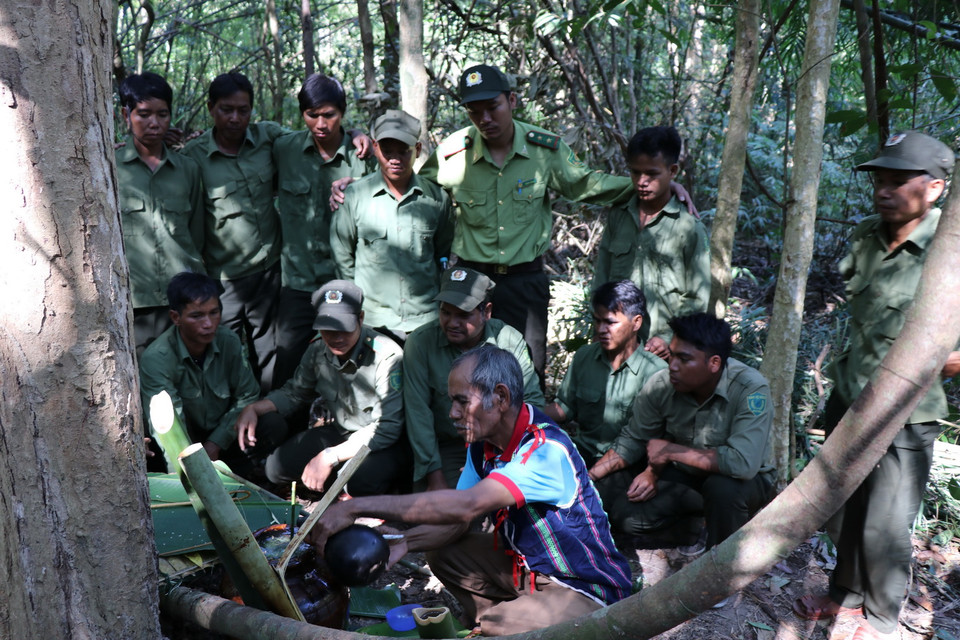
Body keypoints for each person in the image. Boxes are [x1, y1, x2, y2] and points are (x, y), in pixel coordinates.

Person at [310, 345, 632, 636]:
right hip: (527, 569)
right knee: (443, 552)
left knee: (498, 626)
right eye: (452, 401)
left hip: (583, 587)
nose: (452, 412)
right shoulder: (483, 446)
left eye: (462, 401)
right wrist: (406, 542)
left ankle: (500, 624)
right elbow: (458, 522)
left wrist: (354, 506)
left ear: (501, 397)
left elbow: (466, 505)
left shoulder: (544, 450)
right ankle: (500, 620)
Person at [794, 132, 959, 640]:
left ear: (935, 188)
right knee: (844, 505)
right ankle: (844, 593)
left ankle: (883, 620)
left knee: (886, 522)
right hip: (852, 396)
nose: (883, 191)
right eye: (880, 181)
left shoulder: (949, 250)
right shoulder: (867, 235)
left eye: (898, 181)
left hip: (908, 410)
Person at [416, 64, 638, 380]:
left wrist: (647, 186)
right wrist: (358, 184)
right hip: (470, 281)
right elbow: (417, 191)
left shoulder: (542, 149)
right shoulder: (454, 152)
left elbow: (585, 184)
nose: (485, 118)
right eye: (475, 111)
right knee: (467, 370)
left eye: (493, 107)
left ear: (512, 100)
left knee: (527, 371)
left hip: (524, 281)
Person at [589, 313, 775, 553]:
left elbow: (743, 463)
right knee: (623, 513)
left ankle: (720, 560)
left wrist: (670, 451)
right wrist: (588, 477)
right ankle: (695, 528)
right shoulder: (661, 385)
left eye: (684, 359)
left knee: (723, 490)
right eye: (672, 355)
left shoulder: (750, 389)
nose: (673, 366)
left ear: (714, 363)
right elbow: (634, 439)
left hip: (742, 482)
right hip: (685, 474)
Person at [235, 280, 409, 497]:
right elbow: (295, 392)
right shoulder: (318, 349)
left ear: (361, 318)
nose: (336, 337)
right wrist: (254, 408)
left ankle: (355, 486)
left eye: (344, 327)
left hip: (379, 441)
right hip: (342, 432)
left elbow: (387, 426)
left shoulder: (387, 356)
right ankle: (335, 480)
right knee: (275, 469)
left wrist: (329, 456)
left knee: (359, 482)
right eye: (328, 328)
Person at [272, 74, 376, 386]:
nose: (320, 124)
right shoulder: (283, 148)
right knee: (286, 364)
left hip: (346, 281)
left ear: (342, 112)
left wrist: (359, 182)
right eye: (311, 114)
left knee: (352, 368)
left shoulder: (363, 157)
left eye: (329, 115)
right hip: (298, 282)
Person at [403, 267, 543, 490]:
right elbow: (418, 414)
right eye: (445, 312)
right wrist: (433, 474)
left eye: (463, 315)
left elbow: (532, 402)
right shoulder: (421, 343)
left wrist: (501, 456)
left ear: (486, 312)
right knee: (448, 503)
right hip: (449, 447)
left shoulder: (507, 339)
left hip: (502, 443)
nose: (452, 322)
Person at [139, 272, 287, 477]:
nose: (208, 323)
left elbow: (247, 395)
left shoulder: (228, 341)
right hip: (183, 442)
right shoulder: (157, 358)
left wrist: (215, 442)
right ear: (175, 317)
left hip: (221, 435)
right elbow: (169, 427)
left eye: (214, 313)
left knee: (272, 425)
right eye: (197, 316)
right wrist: (188, 474)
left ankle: (238, 474)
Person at [331, 109, 454, 339]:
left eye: (404, 151)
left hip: (425, 321)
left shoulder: (437, 199)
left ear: (418, 149)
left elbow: (442, 253)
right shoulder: (354, 197)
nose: (395, 159)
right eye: (387, 151)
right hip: (373, 321)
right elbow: (343, 259)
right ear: (375, 147)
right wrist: (353, 312)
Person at [594, 126, 710, 360]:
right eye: (635, 173)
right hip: (616, 345)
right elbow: (601, 277)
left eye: (652, 174)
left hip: (662, 352)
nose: (642, 182)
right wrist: (600, 324)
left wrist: (669, 337)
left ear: (672, 171)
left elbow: (698, 297)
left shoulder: (689, 227)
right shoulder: (619, 216)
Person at [116, 72, 205, 354]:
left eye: (162, 114)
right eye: (144, 114)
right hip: (134, 301)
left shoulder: (187, 169)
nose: (154, 123)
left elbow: (197, 234)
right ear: (126, 115)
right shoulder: (110, 168)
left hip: (184, 301)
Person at [543, 280, 666, 467]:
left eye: (610, 322)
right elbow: (564, 407)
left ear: (636, 323)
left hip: (628, 463)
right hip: (582, 452)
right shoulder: (584, 356)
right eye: (597, 321)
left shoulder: (655, 372)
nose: (601, 330)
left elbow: (643, 440)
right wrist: (525, 415)